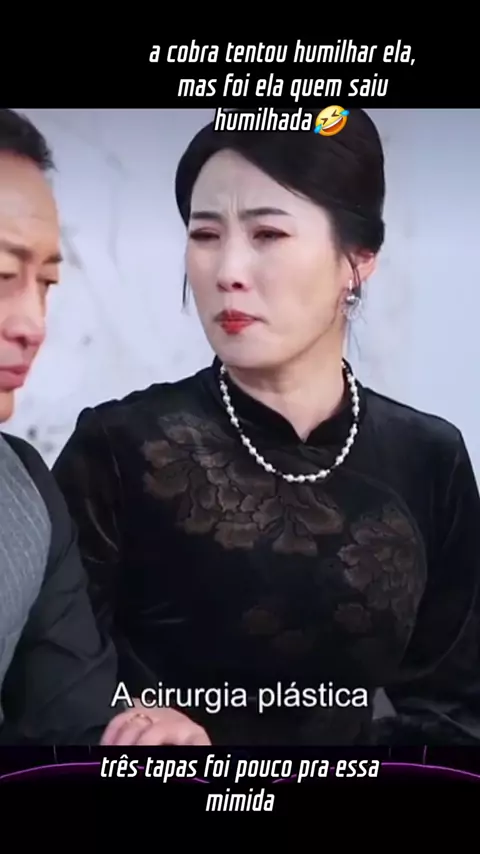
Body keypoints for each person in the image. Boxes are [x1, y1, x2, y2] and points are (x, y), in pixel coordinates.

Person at [53, 109, 480, 746]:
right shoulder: (117, 448)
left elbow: (457, 712)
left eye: (268, 234)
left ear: (358, 259)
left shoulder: (429, 458)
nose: (228, 269)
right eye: (205, 234)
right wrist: (136, 729)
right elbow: (52, 693)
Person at [0, 107, 204, 746]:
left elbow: (67, 730)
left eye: (46, 282)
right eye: (2, 275)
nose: (32, 323)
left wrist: (144, 749)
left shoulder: (25, 492)